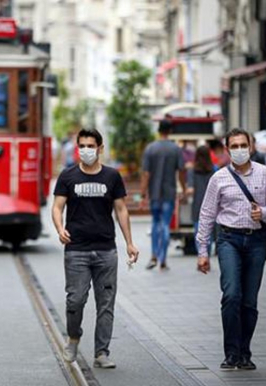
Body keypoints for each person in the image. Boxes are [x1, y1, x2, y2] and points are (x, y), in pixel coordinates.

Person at [196, 128, 266, 370]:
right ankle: (231, 352)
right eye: (233, 146)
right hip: (229, 240)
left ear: (251, 146)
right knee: (232, 295)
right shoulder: (219, 178)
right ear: (227, 150)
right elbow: (206, 214)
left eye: (242, 145)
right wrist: (203, 251)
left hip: (256, 241)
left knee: (249, 301)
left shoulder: (265, 174)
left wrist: (264, 213)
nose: (238, 150)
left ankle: (245, 351)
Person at [52, 129, 139, 369]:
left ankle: (102, 352)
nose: (86, 150)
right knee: (75, 301)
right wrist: (59, 228)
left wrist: (130, 242)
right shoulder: (68, 176)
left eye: (91, 145)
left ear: (100, 148)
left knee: (106, 303)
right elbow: (57, 207)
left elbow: (121, 209)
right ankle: (74, 337)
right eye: (82, 145)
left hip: (106, 251)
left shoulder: (112, 176)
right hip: (76, 250)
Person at [140, 120, 186, 270]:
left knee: (155, 223)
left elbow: (146, 173)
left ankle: (154, 255)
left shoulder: (150, 149)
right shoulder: (175, 149)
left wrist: (142, 193)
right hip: (169, 192)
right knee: (165, 225)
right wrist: (184, 189)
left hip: (154, 193)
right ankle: (163, 259)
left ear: (158, 131)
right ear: (170, 131)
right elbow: (181, 171)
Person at [187, 146, 216, 256]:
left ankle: (201, 254)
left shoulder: (192, 171)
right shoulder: (213, 170)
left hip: (197, 205)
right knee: (209, 231)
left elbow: (190, 189)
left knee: (198, 231)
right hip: (211, 205)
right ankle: (207, 253)